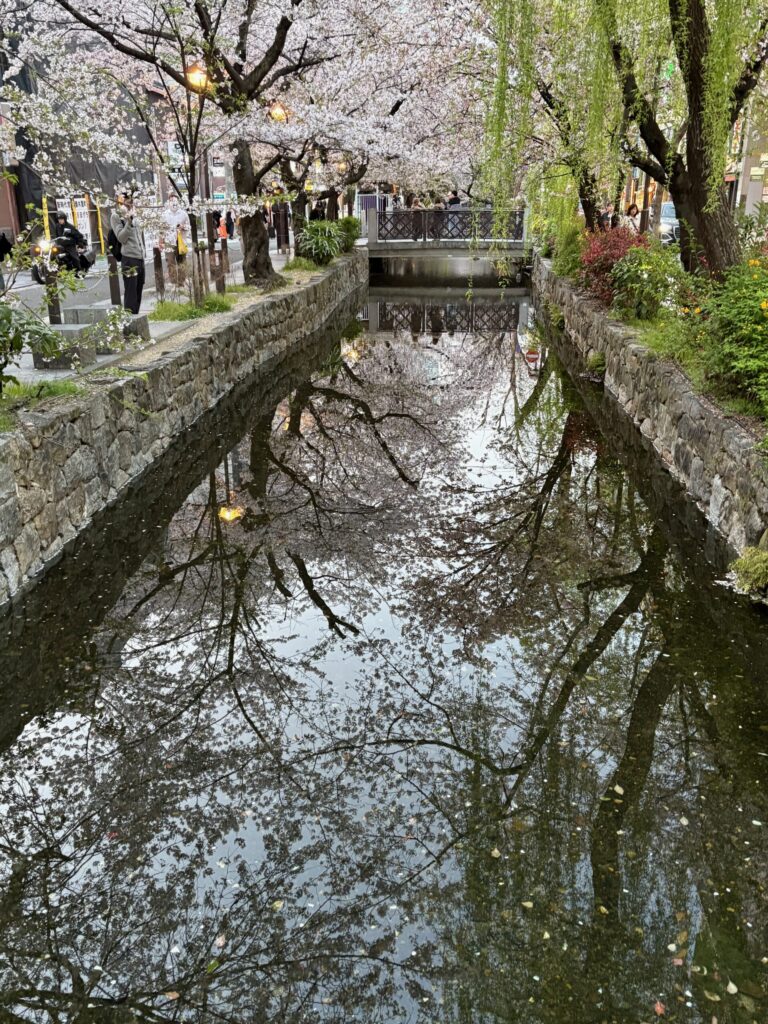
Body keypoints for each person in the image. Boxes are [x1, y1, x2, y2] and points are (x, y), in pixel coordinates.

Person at [110, 194, 145, 315]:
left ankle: (137, 320)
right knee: (130, 292)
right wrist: (128, 222)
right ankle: (130, 323)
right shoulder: (116, 216)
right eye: (125, 198)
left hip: (140, 257)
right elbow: (121, 238)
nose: (128, 201)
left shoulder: (135, 214)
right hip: (129, 258)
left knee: (138, 291)